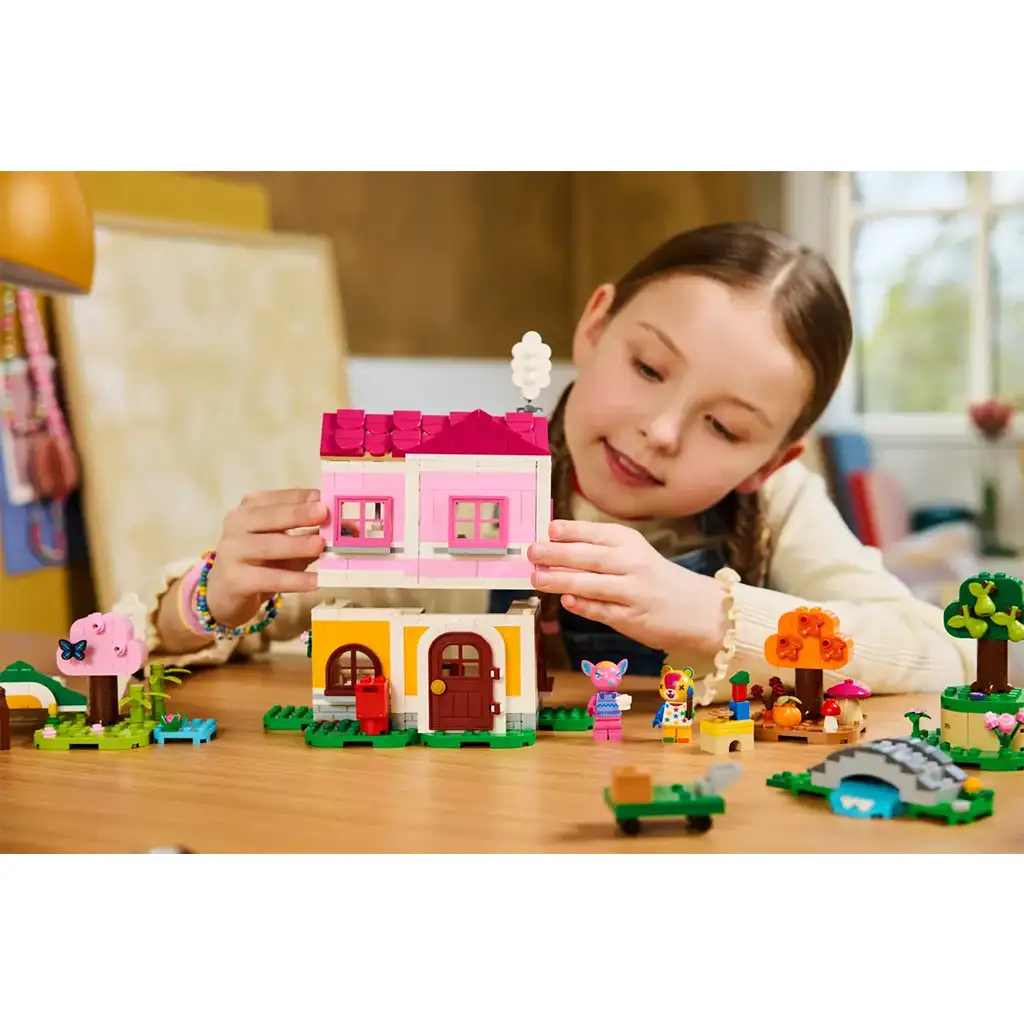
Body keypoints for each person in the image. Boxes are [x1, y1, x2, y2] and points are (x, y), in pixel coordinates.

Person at [130, 222, 973, 700]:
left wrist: (714, 615)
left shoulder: (778, 505)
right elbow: (181, 634)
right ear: (596, 326)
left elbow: (944, 653)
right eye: (649, 368)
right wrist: (212, 598)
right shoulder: (463, 475)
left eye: (723, 426)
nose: (661, 432)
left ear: (768, 461)